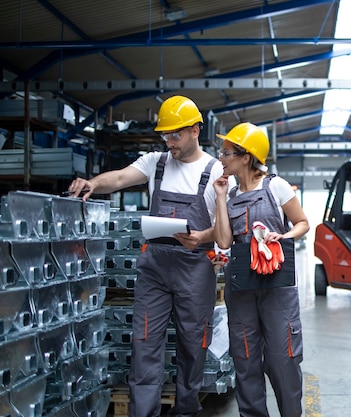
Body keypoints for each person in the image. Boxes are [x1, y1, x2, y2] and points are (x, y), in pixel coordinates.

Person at [66, 95, 223, 417]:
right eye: (165, 135)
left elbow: (226, 228)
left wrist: (203, 237)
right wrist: (93, 183)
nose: (169, 142)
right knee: (145, 343)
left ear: (195, 130)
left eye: (175, 134)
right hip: (154, 269)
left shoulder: (216, 170)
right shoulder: (156, 162)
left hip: (195, 269)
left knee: (193, 346)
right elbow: (121, 178)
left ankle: (186, 410)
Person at [212, 122, 310, 417]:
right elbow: (225, 240)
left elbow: (303, 223)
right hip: (242, 288)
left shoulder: (275, 186)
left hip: (276, 286)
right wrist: (218, 196)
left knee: (283, 358)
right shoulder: (228, 195)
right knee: (245, 358)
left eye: (226, 152)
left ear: (246, 157)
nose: (221, 158)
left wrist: (283, 237)